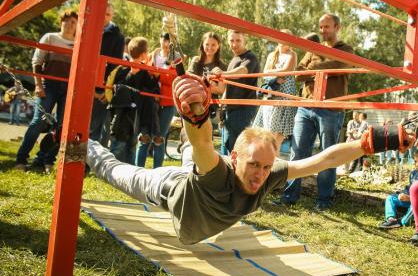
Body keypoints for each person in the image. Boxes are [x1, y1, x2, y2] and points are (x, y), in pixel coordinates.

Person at [86, 74, 387, 245]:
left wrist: (368, 144)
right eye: (254, 165)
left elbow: (322, 160)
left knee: (198, 157)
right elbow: (204, 140)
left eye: (266, 166)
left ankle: (191, 150)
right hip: (167, 188)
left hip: (203, 171)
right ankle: (84, 143)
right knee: (114, 171)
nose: (261, 175)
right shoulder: (221, 174)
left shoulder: (269, 174)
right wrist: (196, 115)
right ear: (235, 159)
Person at [277, 14, 354, 211]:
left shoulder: (345, 49)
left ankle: (323, 200)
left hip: (330, 108)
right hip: (306, 106)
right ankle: (289, 196)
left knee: (328, 154)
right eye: (320, 27)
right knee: (297, 151)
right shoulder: (313, 50)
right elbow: (299, 74)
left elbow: (340, 66)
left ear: (337, 27)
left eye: (327, 27)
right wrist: (320, 68)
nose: (322, 31)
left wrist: (314, 67)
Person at [14, 10, 78, 172]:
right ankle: (21, 160)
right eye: (67, 21)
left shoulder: (79, 42)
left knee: (63, 127)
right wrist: (38, 85)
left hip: (68, 89)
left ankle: (47, 161)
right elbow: (37, 62)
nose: (70, 25)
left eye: (74, 22)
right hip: (48, 85)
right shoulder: (50, 37)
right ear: (61, 22)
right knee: (38, 122)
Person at [135, 33, 180, 168]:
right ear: (160, 40)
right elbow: (143, 74)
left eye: (170, 41)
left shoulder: (177, 59)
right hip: (149, 102)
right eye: (165, 40)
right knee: (145, 136)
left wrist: (156, 74)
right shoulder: (150, 57)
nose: (166, 44)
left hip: (167, 103)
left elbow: (174, 79)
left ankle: (158, 172)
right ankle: (138, 171)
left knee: (159, 138)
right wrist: (159, 74)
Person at [212, 30, 259, 154]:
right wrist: (222, 106)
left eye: (238, 40)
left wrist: (222, 73)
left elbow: (242, 71)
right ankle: (229, 172)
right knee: (226, 146)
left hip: (243, 107)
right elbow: (228, 86)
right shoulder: (234, 59)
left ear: (245, 40)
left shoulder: (250, 57)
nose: (234, 44)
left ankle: (236, 172)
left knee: (235, 147)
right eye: (231, 40)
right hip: (230, 108)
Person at [108, 37, 152, 164]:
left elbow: (149, 86)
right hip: (123, 111)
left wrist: (152, 74)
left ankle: (129, 170)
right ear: (143, 54)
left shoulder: (144, 69)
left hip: (136, 111)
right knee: (119, 142)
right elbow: (118, 87)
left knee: (132, 143)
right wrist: (131, 74)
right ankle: (110, 167)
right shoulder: (124, 68)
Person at [253, 29, 298, 147]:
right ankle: (267, 155)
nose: (283, 41)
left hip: (285, 92)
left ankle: (273, 156)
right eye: (281, 37)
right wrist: (276, 74)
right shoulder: (272, 55)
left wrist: (272, 72)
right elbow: (265, 72)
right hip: (272, 90)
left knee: (279, 132)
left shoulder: (292, 54)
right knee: (267, 126)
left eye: (287, 38)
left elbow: (286, 71)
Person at [90, 2, 125, 146]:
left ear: (112, 16)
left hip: (102, 87)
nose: (104, 17)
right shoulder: (88, 28)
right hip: (84, 81)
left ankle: (89, 163)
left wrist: (106, 88)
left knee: (97, 127)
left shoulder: (117, 36)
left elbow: (114, 65)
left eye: (108, 14)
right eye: (102, 13)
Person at [378, 146, 418, 229]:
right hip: (410, 199)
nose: (417, 164)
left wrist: (412, 199)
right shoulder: (414, 173)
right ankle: (391, 219)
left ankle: (402, 222)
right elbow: (409, 188)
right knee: (390, 198)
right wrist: (402, 194)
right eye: (415, 161)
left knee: (413, 207)